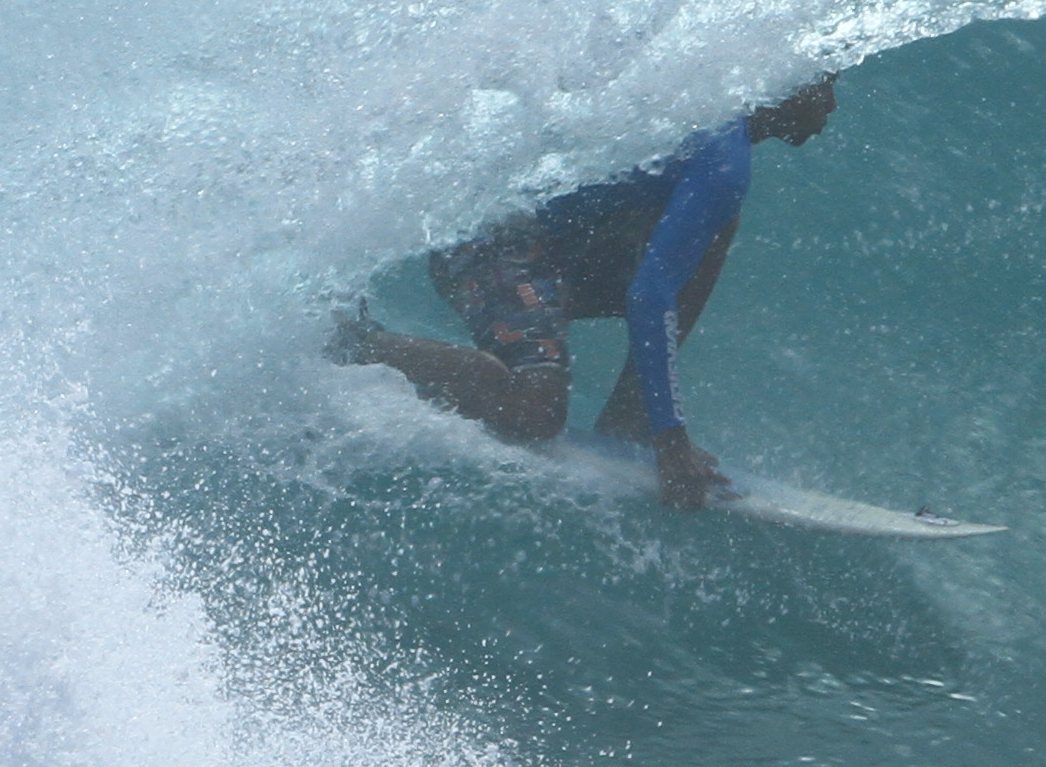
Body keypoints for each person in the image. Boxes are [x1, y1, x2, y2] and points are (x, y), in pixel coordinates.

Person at [329, 79, 839, 509]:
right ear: (788, 88)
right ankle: (361, 343)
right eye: (827, 86)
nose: (830, 107)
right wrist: (672, 441)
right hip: (490, 250)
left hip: (549, 249)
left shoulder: (712, 123)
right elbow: (648, 295)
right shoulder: (725, 159)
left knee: (712, 230)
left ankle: (627, 418)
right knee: (536, 413)